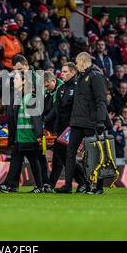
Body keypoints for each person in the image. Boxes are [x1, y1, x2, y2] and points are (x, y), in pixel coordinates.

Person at [64, 52, 109, 194]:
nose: (76, 65)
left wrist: (101, 120)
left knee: (96, 155)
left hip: (91, 122)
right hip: (77, 121)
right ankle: (67, 185)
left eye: (77, 62)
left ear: (83, 61)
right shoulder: (80, 78)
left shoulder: (96, 76)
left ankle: (98, 187)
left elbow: (101, 100)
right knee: (70, 153)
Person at [0, 70, 44, 193]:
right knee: (19, 160)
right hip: (21, 136)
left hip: (28, 136)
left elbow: (36, 117)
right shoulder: (21, 96)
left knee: (30, 160)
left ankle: (10, 184)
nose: (14, 81)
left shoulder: (29, 97)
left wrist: (39, 134)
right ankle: (10, 184)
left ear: (24, 81)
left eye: (17, 79)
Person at [43, 63, 87, 193]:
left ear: (73, 72)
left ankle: (81, 182)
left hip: (72, 128)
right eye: (61, 71)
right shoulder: (61, 88)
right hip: (61, 129)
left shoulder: (78, 87)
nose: (61, 74)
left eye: (65, 71)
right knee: (63, 156)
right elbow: (57, 110)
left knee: (68, 156)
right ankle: (83, 182)